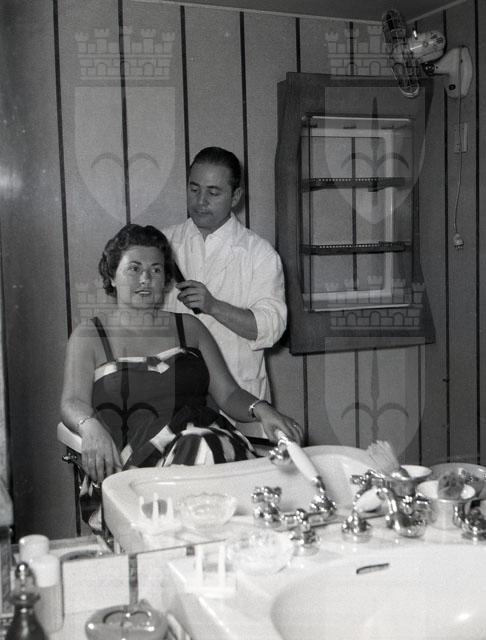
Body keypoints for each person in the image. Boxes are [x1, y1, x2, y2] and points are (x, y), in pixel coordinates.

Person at [60, 224, 301, 489]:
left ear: (165, 280)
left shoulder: (189, 328)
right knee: (204, 450)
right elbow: (72, 401)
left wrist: (262, 409)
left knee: (207, 447)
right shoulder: (90, 335)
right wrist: (89, 426)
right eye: (134, 269)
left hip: (209, 443)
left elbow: (228, 394)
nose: (145, 279)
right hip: (135, 472)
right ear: (112, 276)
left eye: (156, 270)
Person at [162, 147, 286, 413]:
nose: (200, 201)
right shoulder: (162, 244)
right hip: (174, 395)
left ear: (235, 197)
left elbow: (271, 328)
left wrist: (214, 306)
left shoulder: (260, 254)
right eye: (194, 189)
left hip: (241, 397)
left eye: (213, 192)